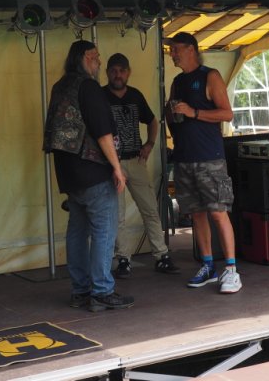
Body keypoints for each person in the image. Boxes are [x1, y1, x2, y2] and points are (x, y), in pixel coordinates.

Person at [43, 40, 134, 312]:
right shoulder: (88, 86)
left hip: (68, 171)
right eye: (95, 56)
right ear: (84, 57)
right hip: (92, 169)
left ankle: (80, 290)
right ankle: (102, 291)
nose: (99, 61)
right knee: (104, 231)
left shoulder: (60, 86)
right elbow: (102, 131)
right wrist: (117, 167)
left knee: (77, 231)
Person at [165, 32, 241, 294]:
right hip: (184, 158)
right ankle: (208, 266)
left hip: (210, 158)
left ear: (191, 49)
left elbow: (227, 114)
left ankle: (231, 270)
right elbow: (173, 115)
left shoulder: (211, 76)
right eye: (171, 50)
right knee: (196, 214)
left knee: (218, 212)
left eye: (176, 49)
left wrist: (194, 112)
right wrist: (172, 115)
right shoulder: (177, 82)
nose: (172, 54)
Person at [103, 53, 180, 278]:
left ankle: (162, 256)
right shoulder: (100, 96)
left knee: (150, 209)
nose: (118, 75)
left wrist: (150, 144)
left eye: (121, 70)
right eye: (113, 70)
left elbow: (153, 121)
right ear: (107, 73)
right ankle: (123, 259)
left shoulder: (135, 95)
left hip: (135, 161)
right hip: (112, 164)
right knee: (117, 215)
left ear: (128, 73)